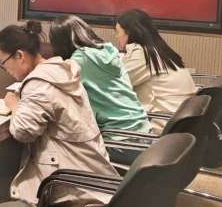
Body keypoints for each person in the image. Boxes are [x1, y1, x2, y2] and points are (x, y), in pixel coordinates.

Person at [0, 21, 118, 207]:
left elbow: (22, 132)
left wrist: (15, 105)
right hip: (90, 171)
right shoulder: (61, 71)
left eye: (4, 62)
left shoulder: (39, 84)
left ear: (20, 55)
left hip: (71, 184)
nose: (5, 68)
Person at [49, 15, 151, 164]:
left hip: (120, 143)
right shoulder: (109, 50)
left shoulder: (81, 59)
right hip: (145, 135)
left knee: (57, 148)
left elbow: (52, 89)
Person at [115, 9, 197, 132]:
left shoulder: (143, 54)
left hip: (163, 120)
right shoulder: (158, 49)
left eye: (118, 32)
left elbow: (115, 83)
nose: (118, 37)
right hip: (182, 118)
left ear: (128, 33)